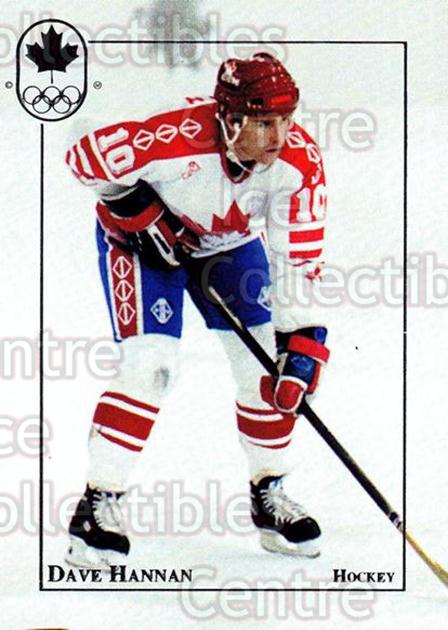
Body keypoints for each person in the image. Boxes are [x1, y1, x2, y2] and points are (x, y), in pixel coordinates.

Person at [65, 52, 329, 569]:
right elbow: (84, 155)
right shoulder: (174, 136)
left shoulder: (299, 166)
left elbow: (298, 264)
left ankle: (269, 492)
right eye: (263, 123)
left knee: (267, 371)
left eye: (285, 120)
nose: (279, 136)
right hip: (142, 250)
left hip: (228, 246)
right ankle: (98, 504)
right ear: (229, 118)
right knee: (152, 367)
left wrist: (301, 339)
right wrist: (134, 208)